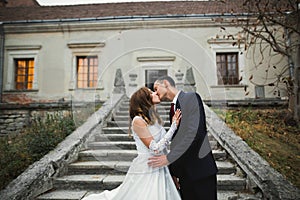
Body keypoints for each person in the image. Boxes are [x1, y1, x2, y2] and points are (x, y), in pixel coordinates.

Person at [82, 87, 182, 200]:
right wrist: (173, 126)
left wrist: (171, 171)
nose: (155, 93)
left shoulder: (154, 118)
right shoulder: (138, 121)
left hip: (160, 165)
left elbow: (163, 147)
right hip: (147, 166)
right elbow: (155, 148)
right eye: (151, 92)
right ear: (145, 99)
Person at [148, 76, 218, 200]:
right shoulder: (173, 109)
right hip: (184, 176)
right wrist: (174, 171)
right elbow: (176, 141)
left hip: (200, 171)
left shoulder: (191, 97)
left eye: (156, 88)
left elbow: (195, 133)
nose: (155, 92)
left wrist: (169, 158)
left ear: (165, 83)